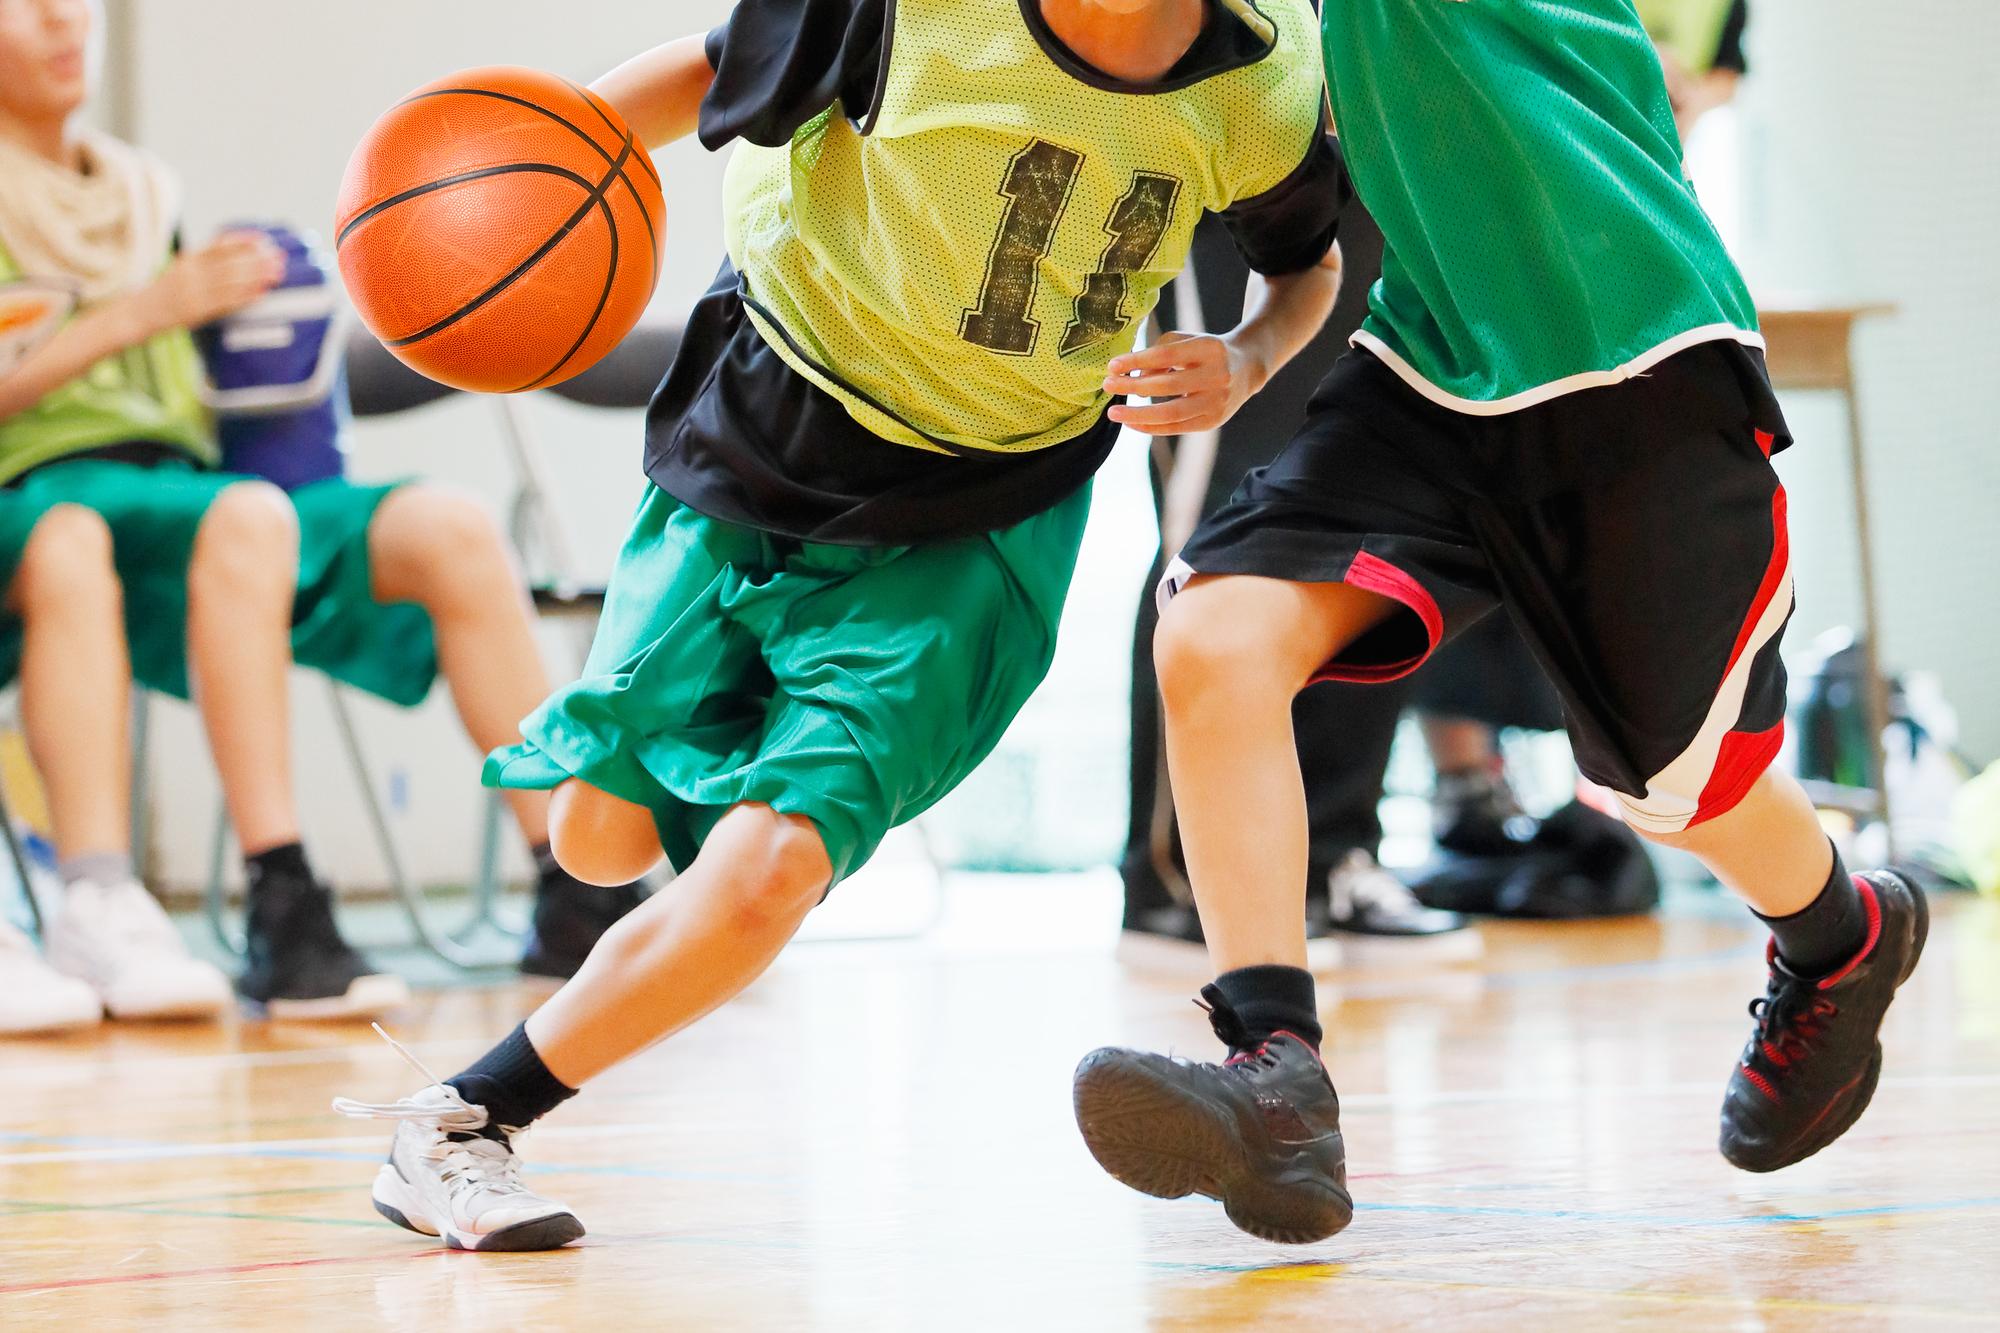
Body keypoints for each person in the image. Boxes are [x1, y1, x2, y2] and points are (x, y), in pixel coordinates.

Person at [334, 0, 1344, 1251]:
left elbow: (1305, 266)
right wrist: (533, 181)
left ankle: (459, 1124)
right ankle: (673, 766)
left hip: (976, 520)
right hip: (759, 429)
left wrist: (1244, 360)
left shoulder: (1264, 83)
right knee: (598, 842)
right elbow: (695, 80)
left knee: (766, 872)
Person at [1073, 0, 1927, 1245]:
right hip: (1428, 361)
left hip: (1629, 350)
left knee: (1684, 792)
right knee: (1214, 637)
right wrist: (1254, 355)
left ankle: (1840, 934)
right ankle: (1277, 1083)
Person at [0, 0, 639, 1020]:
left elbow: (208, 397)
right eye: (23, 6)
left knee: (449, 525)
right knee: (239, 518)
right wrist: (149, 309)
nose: (59, 22)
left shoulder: (139, 186)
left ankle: (572, 885)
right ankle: (281, 895)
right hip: (41, 489)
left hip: (192, 486)